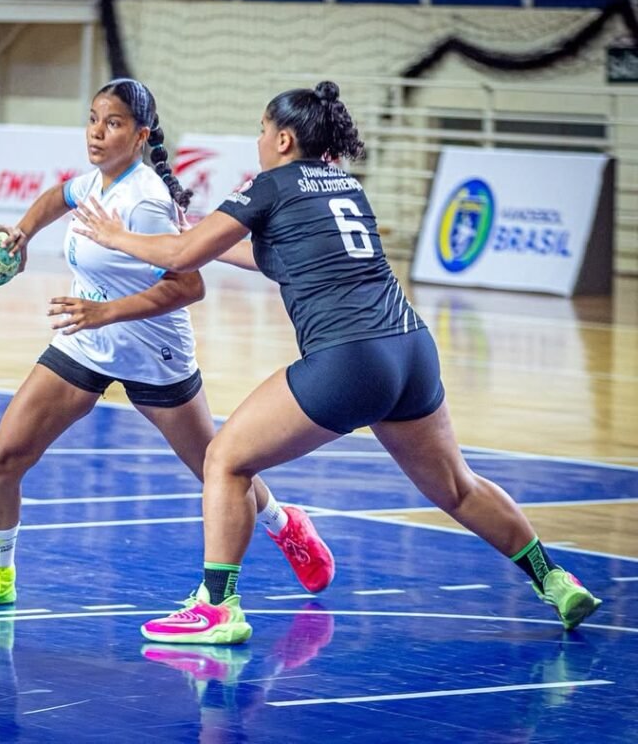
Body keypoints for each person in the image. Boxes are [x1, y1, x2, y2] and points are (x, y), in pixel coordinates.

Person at [73, 81, 602, 644]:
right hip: (411, 351)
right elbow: (274, 257)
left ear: (283, 139)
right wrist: (201, 237)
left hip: (349, 359)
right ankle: (555, 579)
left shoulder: (269, 185)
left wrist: (117, 235)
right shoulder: (345, 185)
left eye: (261, 131)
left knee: (224, 460)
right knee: (457, 486)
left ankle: (217, 606)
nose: (258, 141)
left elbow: (182, 256)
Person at [0, 78, 333, 611]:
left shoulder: (146, 201)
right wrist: (23, 233)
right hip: (85, 342)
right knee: (5, 456)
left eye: (113, 123)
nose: (97, 132)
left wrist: (104, 311)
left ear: (140, 135)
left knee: (215, 469)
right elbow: (58, 196)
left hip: (154, 354)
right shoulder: (94, 183)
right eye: (93, 119)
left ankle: (284, 524)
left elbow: (188, 286)